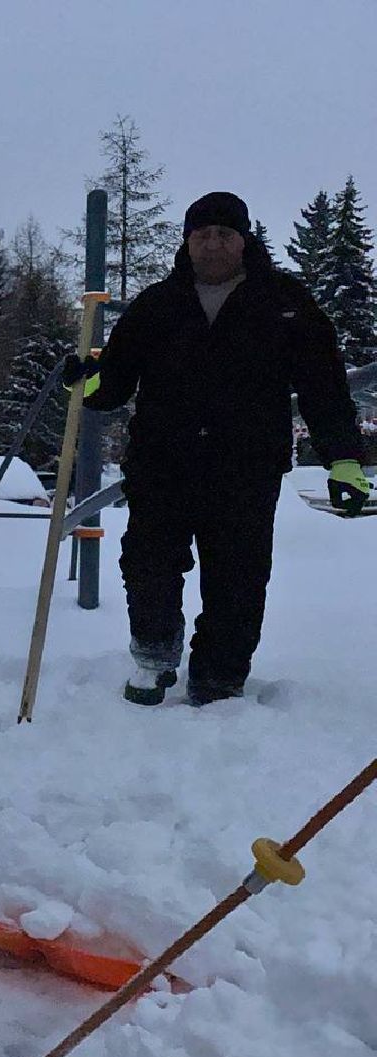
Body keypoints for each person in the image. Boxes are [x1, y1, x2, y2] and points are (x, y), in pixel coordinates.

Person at [66, 191, 369, 707]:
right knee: (149, 564)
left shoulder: (285, 304)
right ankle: (154, 657)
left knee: (238, 576)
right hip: (162, 463)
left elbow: (324, 387)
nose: (212, 244)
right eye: (202, 234)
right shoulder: (157, 305)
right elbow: (112, 387)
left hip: (245, 466)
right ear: (187, 241)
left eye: (224, 234)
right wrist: (85, 382)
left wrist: (343, 460)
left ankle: (220, 676)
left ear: (243, 240)